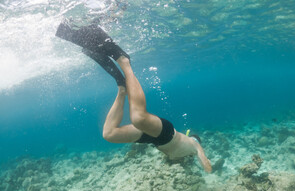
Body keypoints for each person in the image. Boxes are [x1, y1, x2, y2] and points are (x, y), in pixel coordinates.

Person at [56, 20, 212, 173]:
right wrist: (209, 171)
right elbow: (206, 164)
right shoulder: (194, 145)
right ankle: (124, 62)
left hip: (154, 139)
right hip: (167, 133)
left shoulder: (183, 156)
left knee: (109, 134)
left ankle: (122, 88)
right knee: (138, 118)